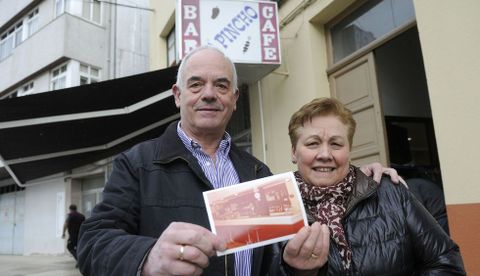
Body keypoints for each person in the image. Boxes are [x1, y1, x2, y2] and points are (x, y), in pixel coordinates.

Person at [77, 46, 400, 276]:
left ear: (234, 99)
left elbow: (279, 256)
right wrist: (146, 258)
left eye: (221, 85)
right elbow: (92, 242)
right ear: (178, 96)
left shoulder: (258, 172)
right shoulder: (138, 163)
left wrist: (364, 177)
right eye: (196, 84)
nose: (208, 94)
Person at [286, 97, 465, 275]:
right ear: (294, 152)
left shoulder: (391, 192)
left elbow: (447, 264)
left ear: (349, 150)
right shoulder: (275, 209)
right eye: (312, 143)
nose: (325, 154)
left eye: (336, 144)